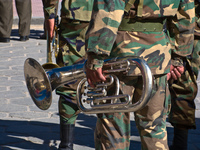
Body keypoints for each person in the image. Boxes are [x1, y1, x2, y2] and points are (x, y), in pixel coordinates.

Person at [85, 0, 195, 150]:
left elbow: (109, 10)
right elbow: (186, 13)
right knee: (155, 129)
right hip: (158, 58)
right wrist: (178, 57)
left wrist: (96, 56)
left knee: (113, 131)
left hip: (119, 53)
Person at [43, 0, 93, 149]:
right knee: (112, 77)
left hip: (78, 14)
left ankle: (66, 145)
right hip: (117, 14)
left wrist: (50, 13)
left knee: (70, 79)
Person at [168, 1, 200, 149]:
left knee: (182, 84)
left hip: (190, 29)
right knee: (182, 83)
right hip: (187, 28)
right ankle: (180, 143)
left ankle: (180, 143)